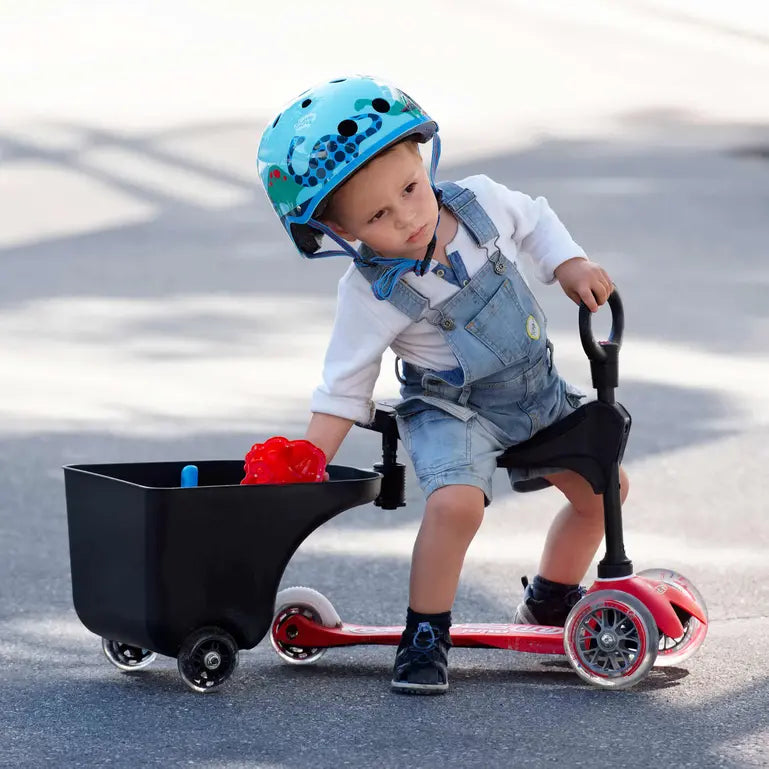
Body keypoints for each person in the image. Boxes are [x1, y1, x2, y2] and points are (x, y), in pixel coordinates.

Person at [257, 75, 628, 695]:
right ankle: (425, 632)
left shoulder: (479, 203)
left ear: (423, 158)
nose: (406, 217)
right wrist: (310, 459)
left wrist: (568, 263)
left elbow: (535, 222)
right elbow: (344, 384)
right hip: (453, 411)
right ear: (340, 235)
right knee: (455, 505)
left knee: (604, 490)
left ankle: (551, 599)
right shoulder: (370, 293)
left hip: (534, 393)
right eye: (377, 215)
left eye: (409, 188)